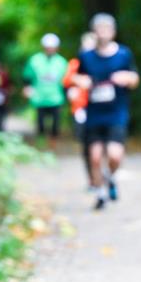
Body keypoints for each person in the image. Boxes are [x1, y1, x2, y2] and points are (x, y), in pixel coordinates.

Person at [72, 14, 139, 210]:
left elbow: (135, 79)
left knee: (114, 155)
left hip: (116, 111)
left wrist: (127, 77)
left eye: (106, 28)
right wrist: (81, 82)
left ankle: (110, 178)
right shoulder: (86, 56)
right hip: (94, 113)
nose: (103, 32)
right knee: (94, 156)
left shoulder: (124, 54)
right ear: (94, 32)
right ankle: (100, 192)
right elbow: (74, 77)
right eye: (99, 29)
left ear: (113, 31)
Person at [64, 31, 97, 187]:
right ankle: (91, 178)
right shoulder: (75, 64)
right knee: (87, 145)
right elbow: (66, 82)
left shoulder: (105, 61)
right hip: (81, 109)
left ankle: (103, 175)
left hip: (102, 110)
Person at [23, 33, 68, 142]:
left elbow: (67, 80)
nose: (50, 49)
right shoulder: (35, 60)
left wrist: (67, 94)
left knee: (56, 124)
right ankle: (41, 143)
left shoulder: (62, 62)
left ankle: (53, 144)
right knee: (40, 123)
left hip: (56, 98)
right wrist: (27, 88)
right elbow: (27, 76)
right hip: (39, 97)